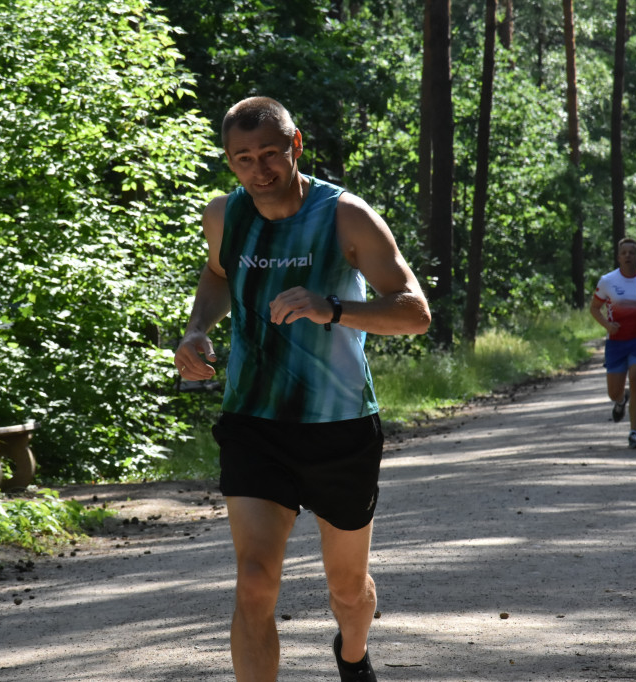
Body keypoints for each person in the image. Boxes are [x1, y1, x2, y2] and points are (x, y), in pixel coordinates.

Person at [174, 97, 431, 682]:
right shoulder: (223, 216)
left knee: (346, 591)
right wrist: (196, 331)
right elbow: (216, 275)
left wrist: (333, 307)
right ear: (229, 161)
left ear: (295, 146)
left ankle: (353, 652)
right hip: (254, 422)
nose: (259, 169)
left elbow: (415, 313)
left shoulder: (345, 215)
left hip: (338, 428)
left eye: (270, 153)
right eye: (243, 159)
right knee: (255, 581)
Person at [589, 237, 636, 449]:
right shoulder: (607, 281)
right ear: (619, 257)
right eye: (624, 253)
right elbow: (594, 308)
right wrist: (607, 326)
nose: (628, 256)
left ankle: (634, 433)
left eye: (632, 252)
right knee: (613, 392)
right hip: (616, 342)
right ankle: (621, 400)